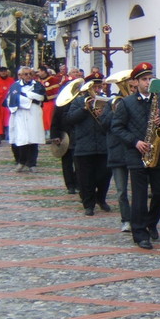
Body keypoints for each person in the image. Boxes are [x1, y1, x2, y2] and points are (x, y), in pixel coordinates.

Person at [112, 62, 160, 250]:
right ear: (135, 82)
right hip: (136, 154)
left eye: (149, 79)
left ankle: (151, 223)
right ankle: (140, 233)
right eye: (144, 79)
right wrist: (135, 141)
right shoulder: (126, 103)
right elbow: (117, 127)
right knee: (139, 196)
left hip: (158, 152)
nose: (147, 82)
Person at [66, 73, 112, 216]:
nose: (97, 89)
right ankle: (88, 204)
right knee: (85, 177)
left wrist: (103, 114)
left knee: (104, 176)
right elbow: (70, 119)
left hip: (103, 145)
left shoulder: (107, 101)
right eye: (94, 87)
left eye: (99, 86)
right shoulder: (79, 102)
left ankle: (101, 198)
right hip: (84, 146)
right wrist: (85, 109)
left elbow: (112, 122)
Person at [101, 71, 135, 231]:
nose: (131, 87)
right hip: (117, 150)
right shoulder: (112, 102)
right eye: (129, 84)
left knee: (138, 190)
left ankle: (138, 218)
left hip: (134, 150)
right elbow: (103, 125)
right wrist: (115, 111)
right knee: (121, 191)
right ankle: (125, 220)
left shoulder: (137, 102)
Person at [7, 67, 46, 172]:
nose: (28, 76)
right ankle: (21, 162)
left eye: (30, 74)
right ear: (21, 75)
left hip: (33, 114)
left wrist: (24, 96)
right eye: (25, 74)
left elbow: (40, 97)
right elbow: (11, 99)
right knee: (21, 139)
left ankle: (32, 163)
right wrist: (27, 98)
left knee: (33, 139)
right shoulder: (15, 86)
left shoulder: (37, 85)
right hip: (19, 114)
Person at [38, 64, 62, 138]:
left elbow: (55, 91)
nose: (38, 73)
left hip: (49, 102)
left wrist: (46, 97)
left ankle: (50, 133)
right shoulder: (38, 80)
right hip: (40, 103)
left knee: (49, 118)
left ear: (43, 71)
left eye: (39, 71)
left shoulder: (53, 79)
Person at [0, 67, 14, 142]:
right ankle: (0, 134)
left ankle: (8, 133)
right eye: (1, 71)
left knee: (8, 119)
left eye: (4, 71)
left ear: (7, 72)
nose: (3, 73)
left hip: (8, 104)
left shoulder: (11, 80)